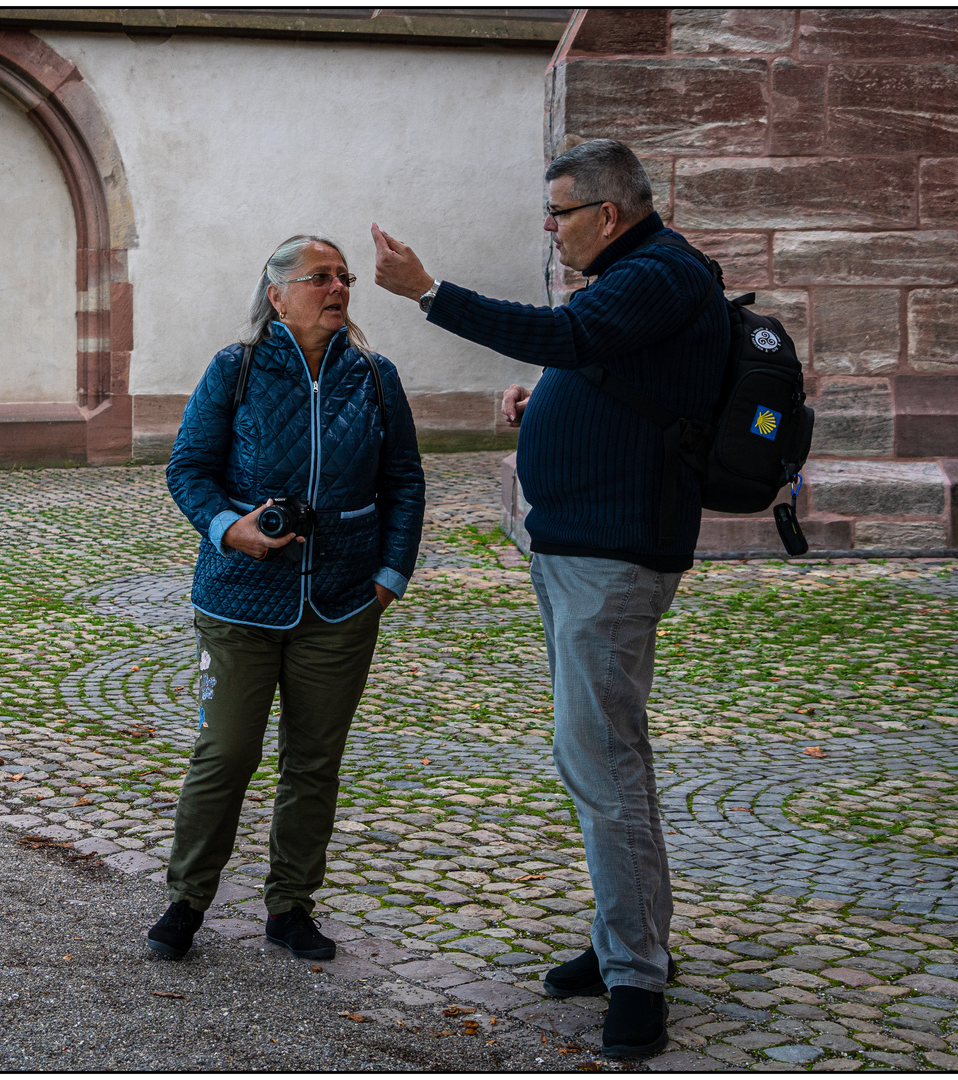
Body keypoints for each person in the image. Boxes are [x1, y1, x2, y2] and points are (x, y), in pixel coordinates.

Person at [371, 139, 727, 1060]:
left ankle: (638, 979)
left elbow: (567, 335)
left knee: (606, 766)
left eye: (559, 211)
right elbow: (604, 364)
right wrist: (554, 405)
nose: (550, 226)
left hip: (613, 558)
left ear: (608, 212)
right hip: (581, 549)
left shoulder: (658, 271)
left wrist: (428, 291)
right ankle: (623, 942)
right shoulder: (638, 276)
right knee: (600, 762)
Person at [149, 233, 425, 963]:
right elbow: (187, 469)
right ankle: (185, 900)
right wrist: (225, 528)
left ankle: (290, 906)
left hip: (340, 604)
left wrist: (389, 575)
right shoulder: (233, 369)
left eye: (343, 278)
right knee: (225, 753)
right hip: (238, 602)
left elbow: (403, 480)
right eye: (318, 278)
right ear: (276, 294)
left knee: (313, 763)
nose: (336, 288)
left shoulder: (373, 375)